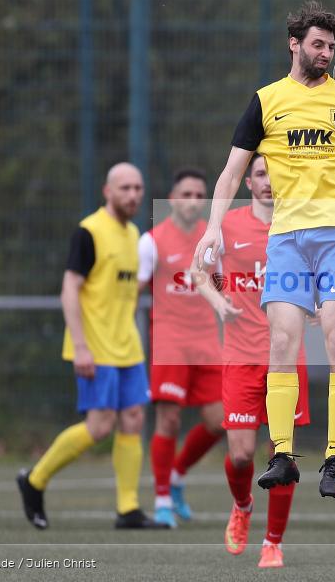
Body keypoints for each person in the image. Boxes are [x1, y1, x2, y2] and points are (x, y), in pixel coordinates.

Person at [193, 0, 335, 499]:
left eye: (331, 46)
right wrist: (212, 228)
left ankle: (334, 458)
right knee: (281, 343)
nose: (326, 53)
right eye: (318, 44)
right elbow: (231, 172)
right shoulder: (266, 101)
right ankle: (282, 455)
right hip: (286, 239)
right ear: (295, 44)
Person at [17, 163, 165, 530]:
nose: (133, 195)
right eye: (125, 188)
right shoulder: (89, 232)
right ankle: (34, 480)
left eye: (138, 188)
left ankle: (128, 509)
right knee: (99, 427)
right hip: (95, 347)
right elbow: (70, 289)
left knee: (133, 419)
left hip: (127, 347)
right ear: (107, 191)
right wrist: (81, 346)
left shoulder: (133, 234)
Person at [193, 154, 310, 568]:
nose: (268, 181)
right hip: (240, 357)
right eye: (260, 173)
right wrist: (218, 302)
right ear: (248, 182)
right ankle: (242, 506)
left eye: (275, 174)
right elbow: (198, 273)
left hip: (286, 357)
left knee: (284, 454)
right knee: (241, 455)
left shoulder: (302, 226)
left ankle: (273, 542)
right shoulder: (226, 226)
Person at [138, 168, 225, 528]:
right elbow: (136, 291)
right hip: (170, 341)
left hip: (206, 340)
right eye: (186, 194)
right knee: (169, 419)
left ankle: (176, 475)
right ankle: (161, 499)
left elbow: (221, 286)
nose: (193, 201)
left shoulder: (212, 241)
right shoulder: (152, 240)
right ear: (173, 199)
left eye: (199, 195)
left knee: (221, 420)